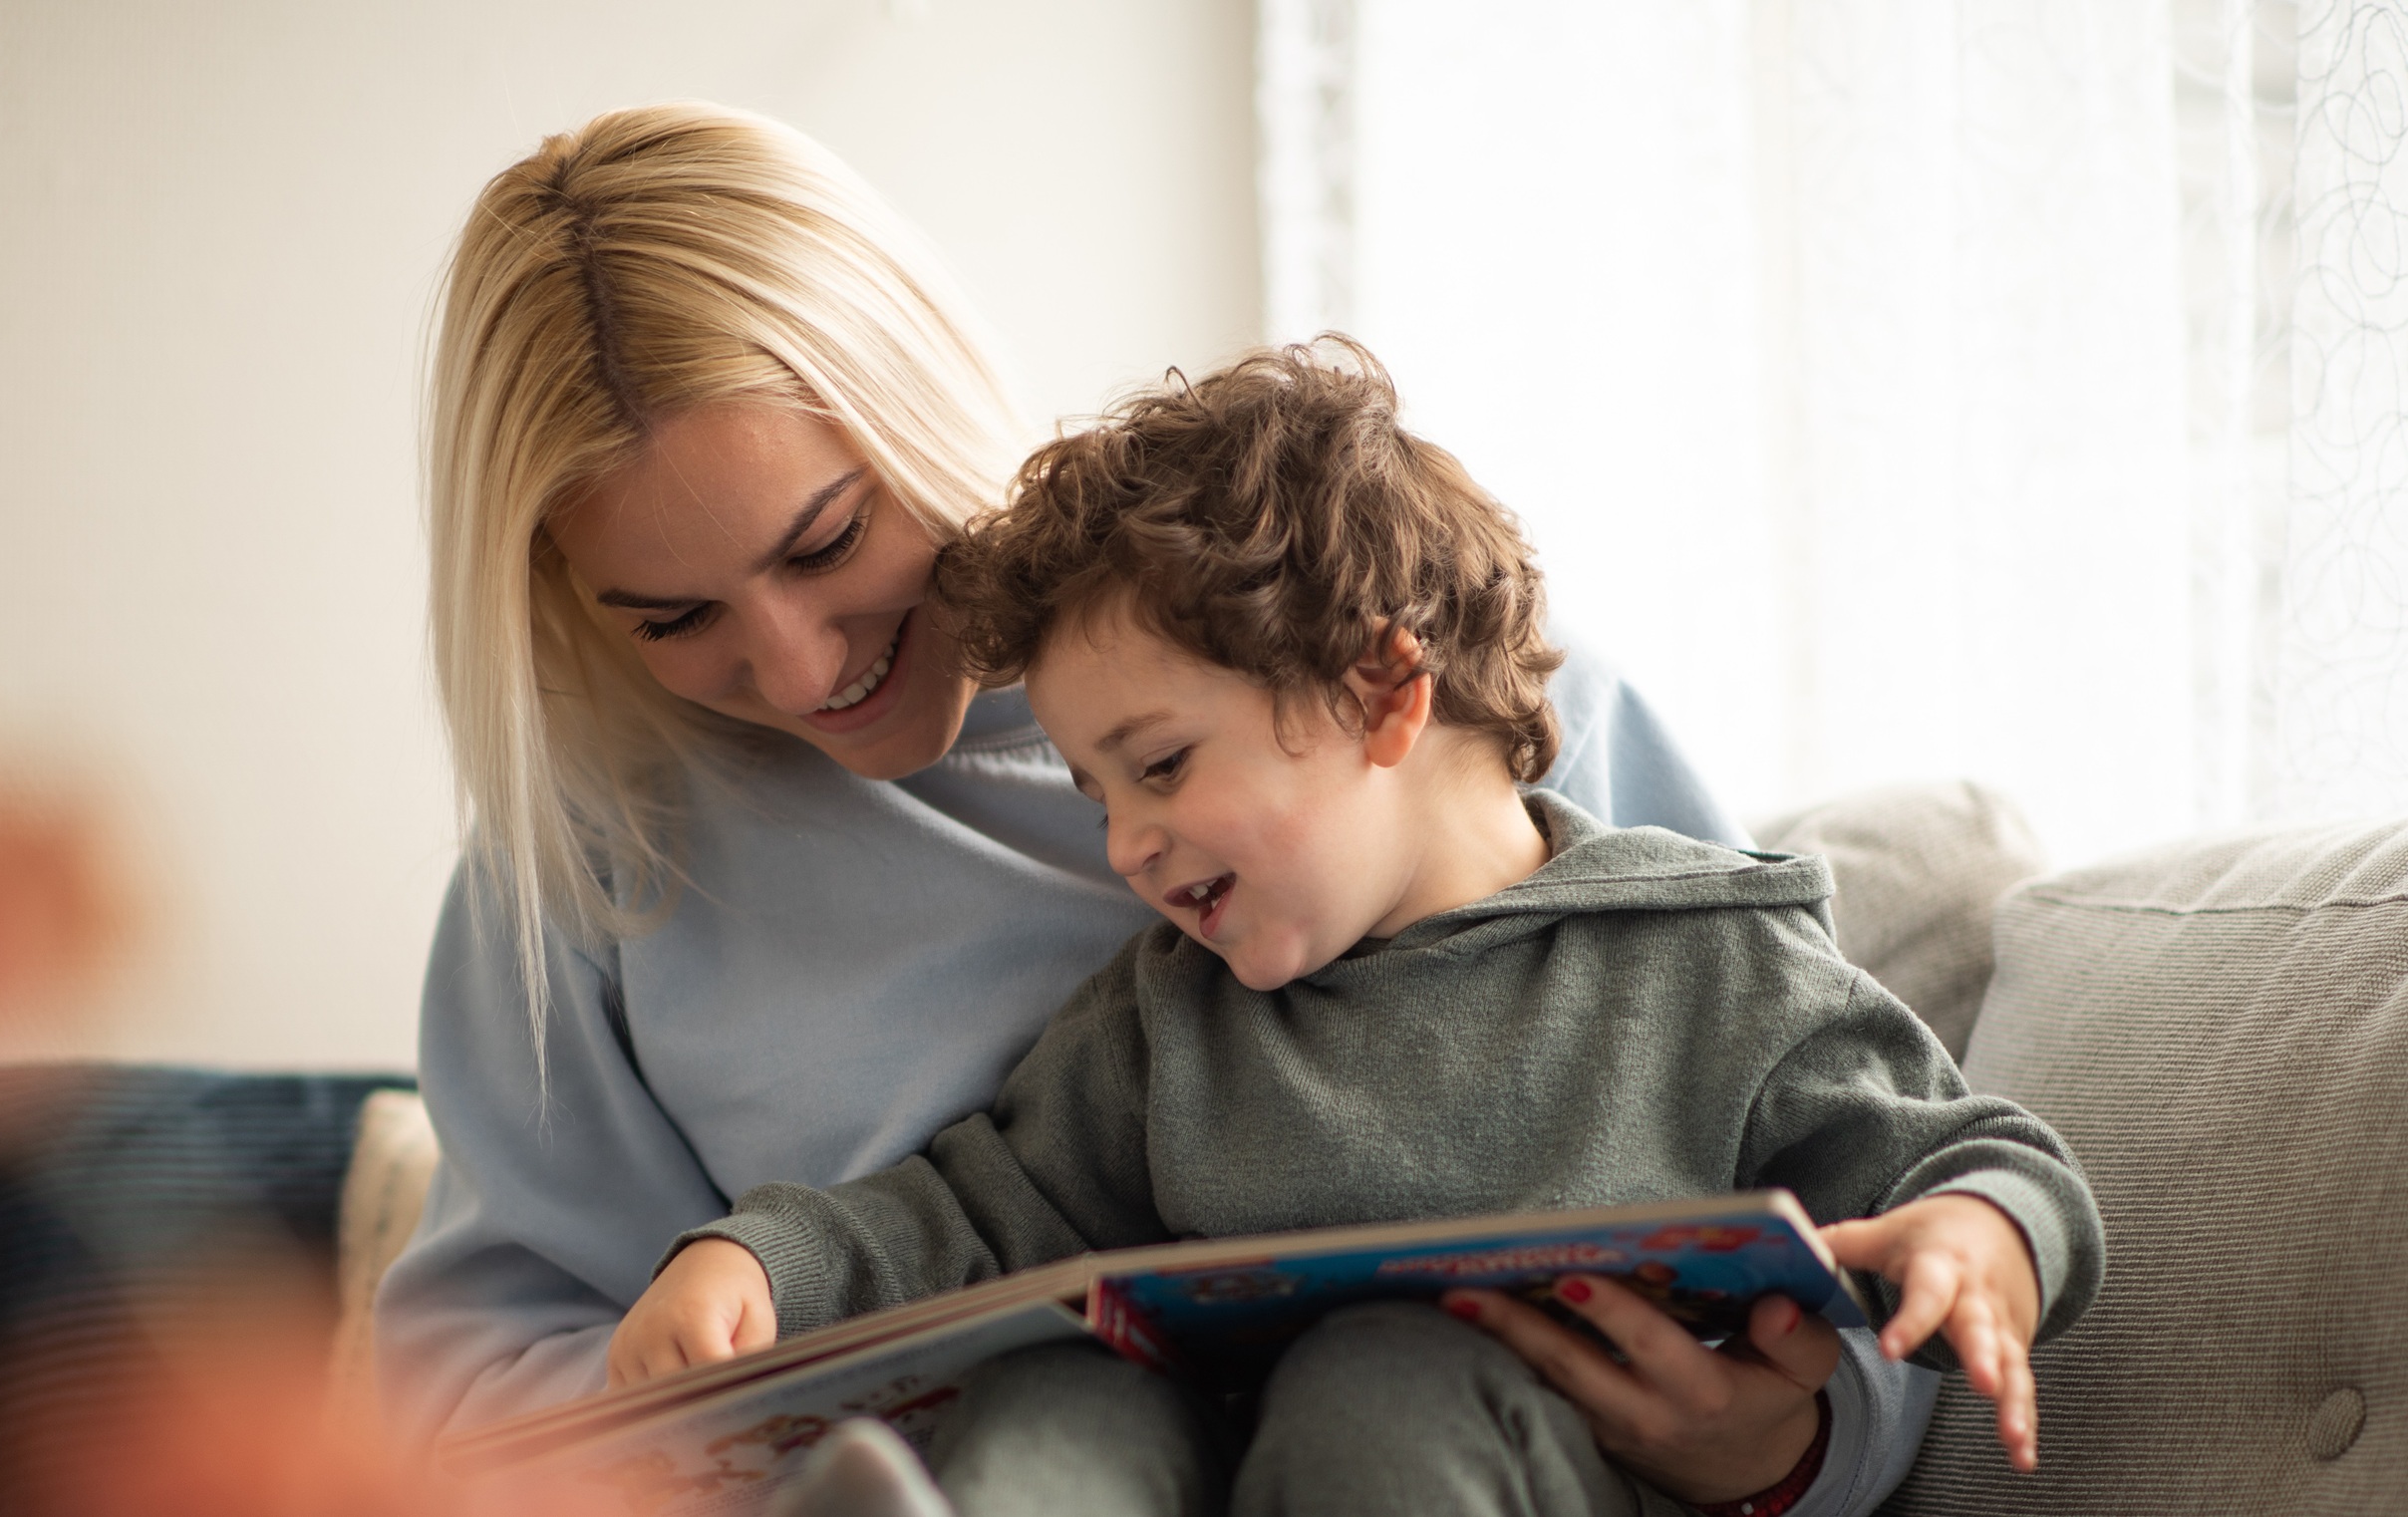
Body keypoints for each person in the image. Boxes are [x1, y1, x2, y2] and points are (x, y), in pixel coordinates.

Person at [375, 102, 1908, 1508]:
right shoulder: (592, 866)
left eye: (828, 540)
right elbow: (475, 1392)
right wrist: (737, 1366)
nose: (795, 664)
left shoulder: (1479, 701)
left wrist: (1791, 1445)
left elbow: (1858, 1205)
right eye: (669, 618)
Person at [607, 343, 2103, 1517]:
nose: (1125, 843)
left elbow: (1984, 1157)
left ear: (1385, 692)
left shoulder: (1702, 954)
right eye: (1096, 789)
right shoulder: (1170, 1017)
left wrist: (1977, 1240)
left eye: (1165, 764)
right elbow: (975, 1208)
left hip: (1497, 1461)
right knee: (1059, 1403)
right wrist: (758, 1264)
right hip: (1207, 1464)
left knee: (1384, 1378)